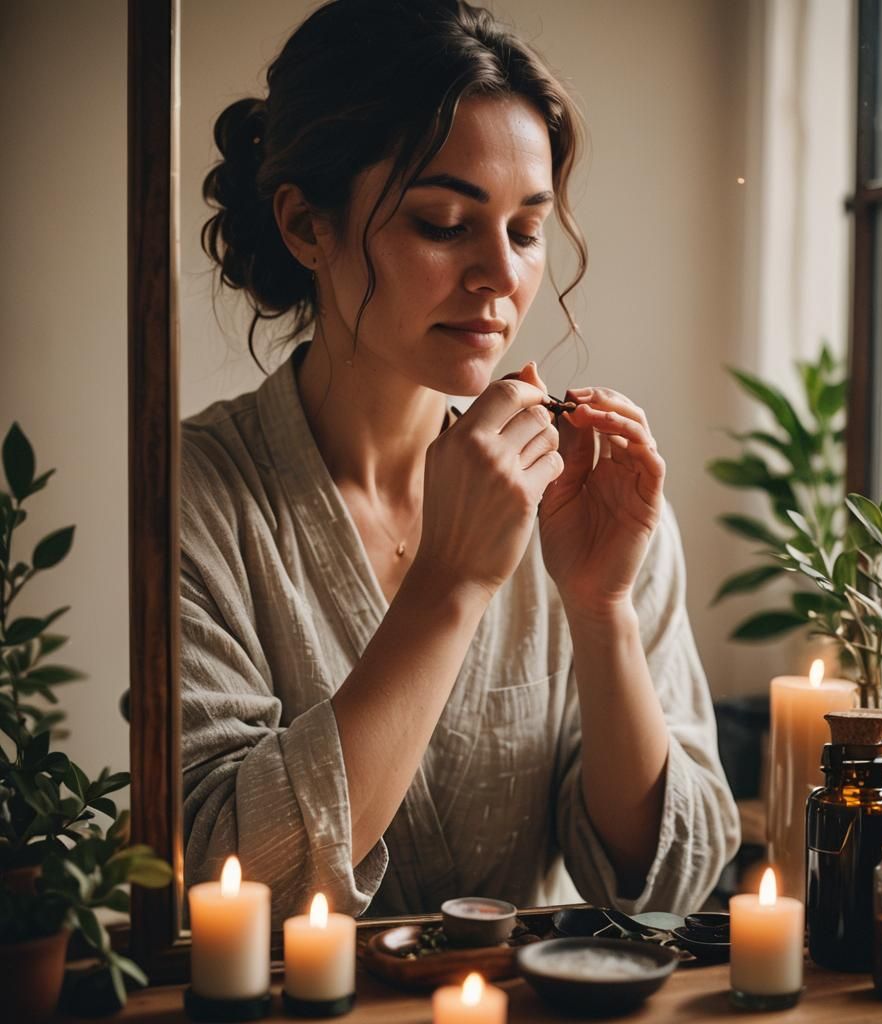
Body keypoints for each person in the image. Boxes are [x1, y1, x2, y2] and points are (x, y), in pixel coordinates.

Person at [181, 0, 740, 926]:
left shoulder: (586, 493)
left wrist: (600, 610)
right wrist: (450, 584)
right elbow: (228, 885)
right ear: (304, 226)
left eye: (526, 230)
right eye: (444, 223)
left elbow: (665, 888)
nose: (500, 275)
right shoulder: (199, 496)